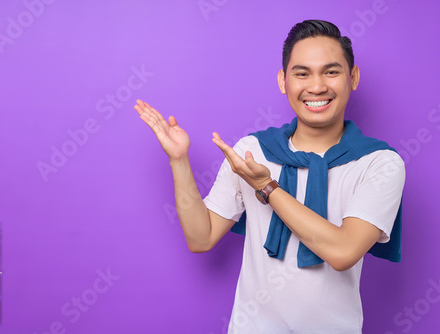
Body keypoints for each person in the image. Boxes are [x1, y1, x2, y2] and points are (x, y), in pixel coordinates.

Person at [134, 19, 405, 334]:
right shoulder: (253, 152)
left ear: (353, 77)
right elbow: (201, 237)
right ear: (283, 81)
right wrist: (178, 160)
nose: (316, 86)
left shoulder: (379, 163)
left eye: (331, 72)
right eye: (301, 73)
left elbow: (343, 252)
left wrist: (267, 187)